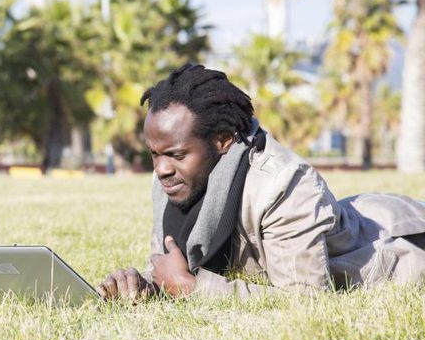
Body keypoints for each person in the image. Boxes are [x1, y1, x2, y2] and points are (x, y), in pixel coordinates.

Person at [96, 63, 425, 300]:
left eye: (176, 155)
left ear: (223, 140)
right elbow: (171, 267)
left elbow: (307, 301)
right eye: (155, 154)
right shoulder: (176, 176)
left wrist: (194, 289)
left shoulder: (284, 185)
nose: (162, 168)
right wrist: (142, 284)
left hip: (401, 244)